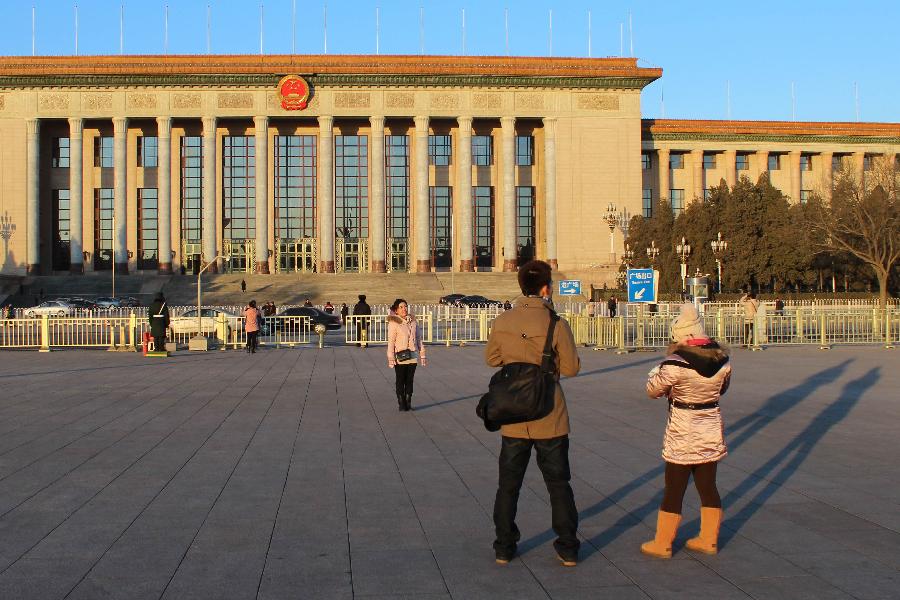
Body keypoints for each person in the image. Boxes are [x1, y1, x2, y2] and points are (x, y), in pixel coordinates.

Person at [485, 260, 581, 567]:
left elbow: (492, 358)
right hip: (549, 414)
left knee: (508, 485)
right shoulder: (556, 323)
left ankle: (504, 546)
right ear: (545, 288)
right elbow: (571, 368)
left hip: (514, 417)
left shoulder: (503, 320)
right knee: (558, 485)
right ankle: (567, 547)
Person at [642, 303, 732, 558]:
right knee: (708, 485)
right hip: (711, 424)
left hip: (683, 425)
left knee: (674, 487)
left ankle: (663, 542)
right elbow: (721, 389)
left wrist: (654, 374)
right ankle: (709, 539)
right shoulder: (722, 360)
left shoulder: (675, 363)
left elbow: (653, 391)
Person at [386, 298, 427, 411]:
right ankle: (401, 402)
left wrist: (422, 353)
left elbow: (418, 338)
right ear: (396, 310)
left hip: (412, 355)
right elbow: (391, 342)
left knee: (410, 380)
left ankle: (408, 402)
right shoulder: (394, 323)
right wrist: (390, 357)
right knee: (400, 379)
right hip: (400, 356)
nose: (404, 309)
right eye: (401, 307)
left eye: (405, 306)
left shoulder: (413, 321)